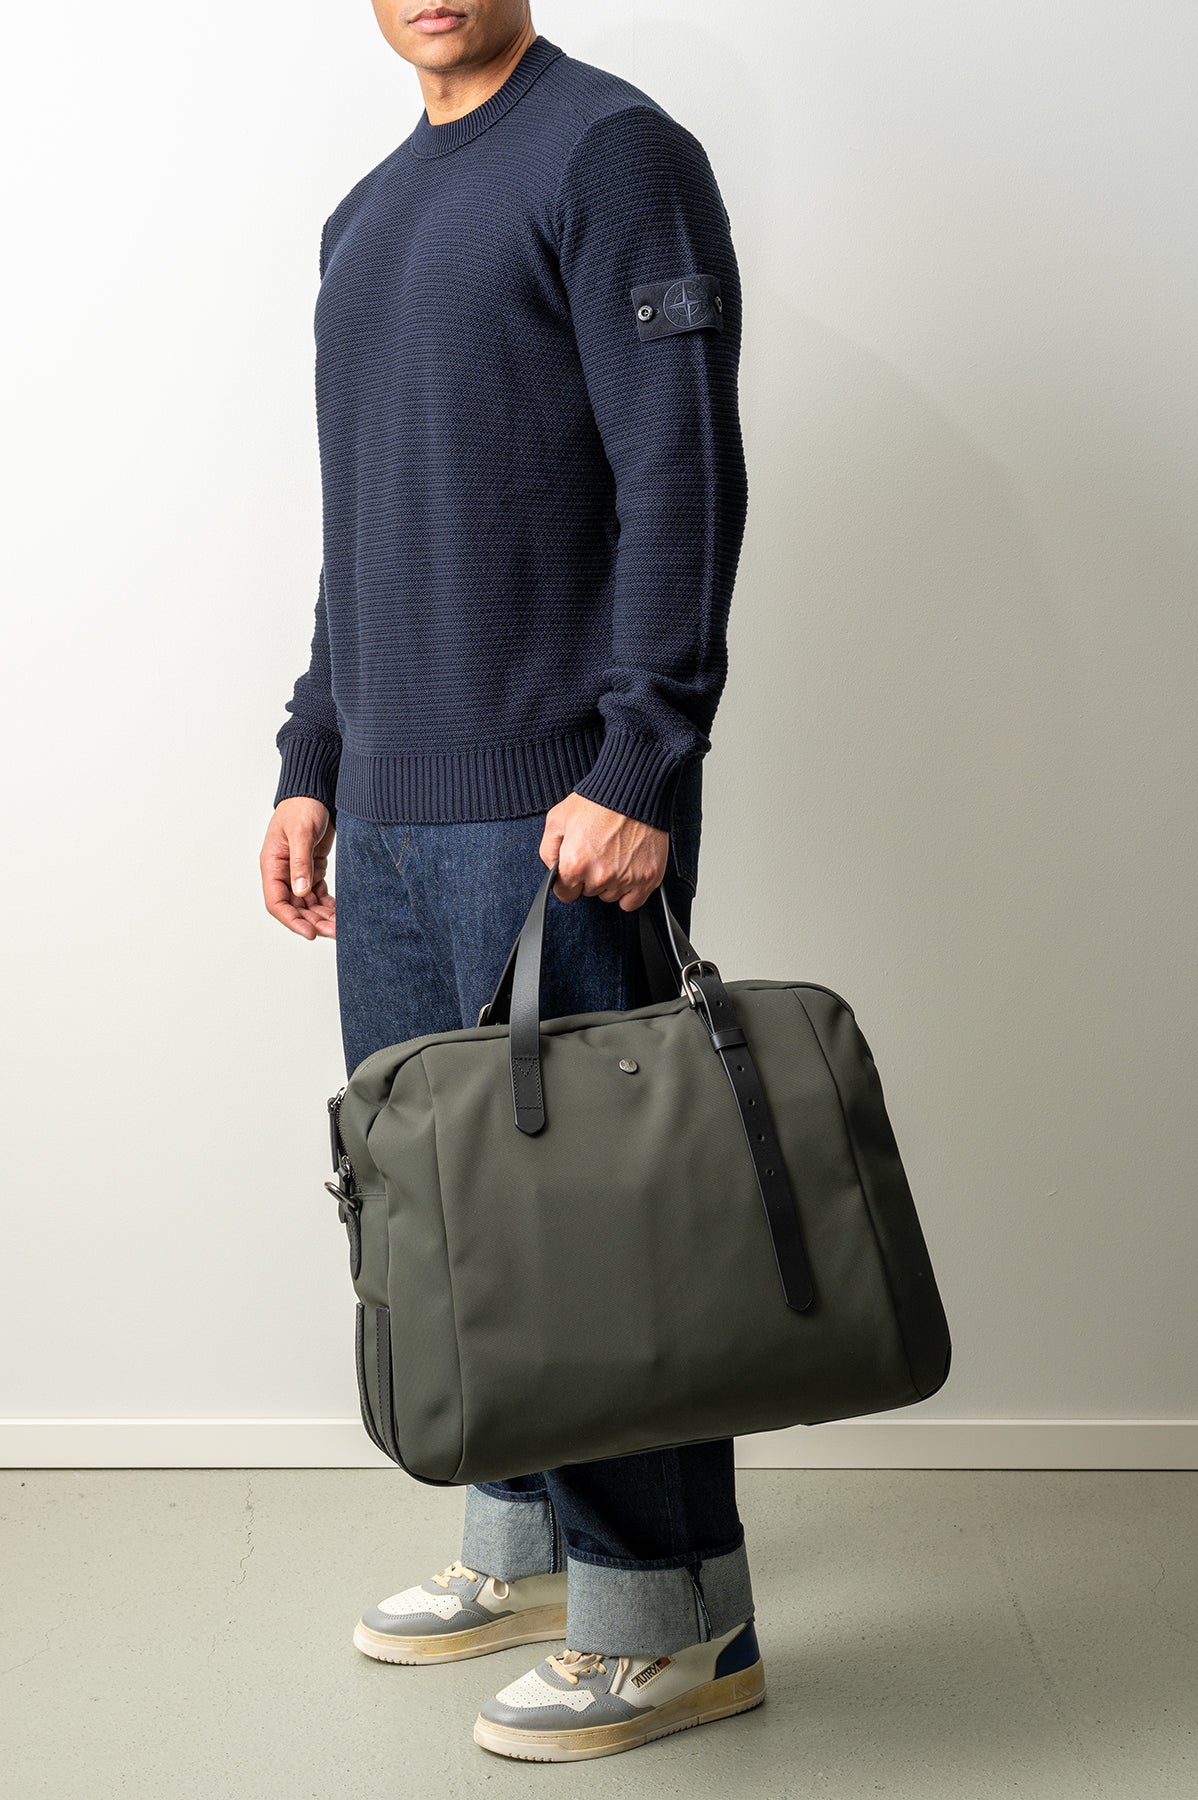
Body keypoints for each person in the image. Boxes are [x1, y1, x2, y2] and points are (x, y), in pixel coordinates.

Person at [258, 0, 759, 1763]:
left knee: (598, 1226)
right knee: (452, 1215)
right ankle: (535, 1544)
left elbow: (684, 472)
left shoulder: (612, 154)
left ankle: (671, 1618)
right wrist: (312, 756)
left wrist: (644, 761)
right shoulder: (366, 213)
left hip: (557, 803)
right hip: (394, 806)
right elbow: (367, 522)